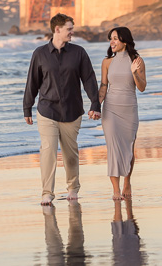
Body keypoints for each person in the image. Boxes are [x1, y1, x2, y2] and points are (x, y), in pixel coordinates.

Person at [23, 13, 101, 206]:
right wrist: (27, 107)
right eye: (69, 29)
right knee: (48, 150)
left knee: (70, 153)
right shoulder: (40, 54)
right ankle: (47, 192)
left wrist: (95, 103)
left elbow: (89, 79)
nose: (72, 32)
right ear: (57, 30)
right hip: (47, 110)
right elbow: (32, 82)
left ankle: (73, 188)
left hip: (72, 111)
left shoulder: (79, 52)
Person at [100, 26, 146, 201]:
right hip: (110, 109)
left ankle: (127, 181)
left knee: (128, 148)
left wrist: (135, 73)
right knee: (113, 148)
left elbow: (142, 87)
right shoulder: (107, 62)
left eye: (115, 39)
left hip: (129, 109)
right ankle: (115, 189)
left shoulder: (137, 60)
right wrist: (96, 106)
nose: (112, 42)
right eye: (110, 38)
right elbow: (104, 86)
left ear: (124, 41)